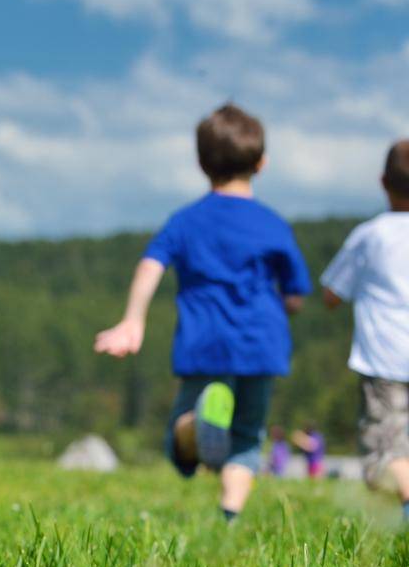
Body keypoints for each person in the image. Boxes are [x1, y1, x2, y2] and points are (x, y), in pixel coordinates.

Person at [94, 103, 310, 522]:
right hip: (261, 344)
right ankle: (229, 516)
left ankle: (195, 426)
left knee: (182, 451)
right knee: (247, 439)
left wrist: (132, 320)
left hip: (205, 341)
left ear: (200, 162)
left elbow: (150, 264)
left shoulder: (186, 220)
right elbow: (296, 294)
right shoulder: (273, 225)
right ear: (262, 164)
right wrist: (285, 308)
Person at [321, 141, 409, 515]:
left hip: (385, 362)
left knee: (384, 455)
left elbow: (331, 293)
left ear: (382, 182)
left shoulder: (370, 235)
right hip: (386, 363)